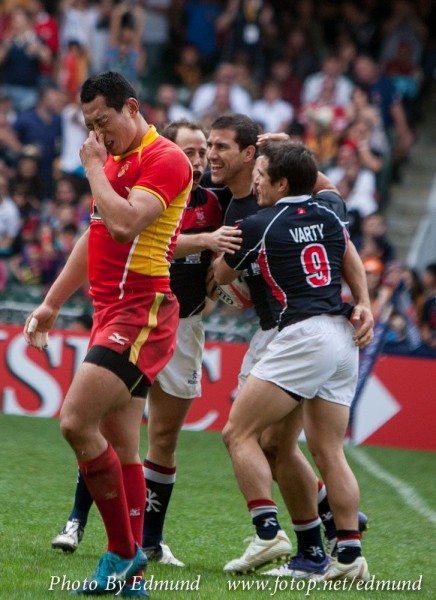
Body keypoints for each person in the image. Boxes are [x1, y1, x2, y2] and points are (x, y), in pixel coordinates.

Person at [24, 71, 192, 597]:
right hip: (110, 312)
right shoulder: (114, 160)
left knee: (76, 421)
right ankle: (132, 579)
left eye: (103, 121)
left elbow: (124, 224)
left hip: (141, 311)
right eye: (89, 125)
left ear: (132, 108)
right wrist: (52, 303)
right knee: (122, 445)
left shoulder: (165, 158)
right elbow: (95, 233)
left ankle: (122, 551)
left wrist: (94, 169)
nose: (97, 134)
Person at [50, 118, 241, 566]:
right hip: (130, 314)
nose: (199, 160)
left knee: (153, 437)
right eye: (190, 151)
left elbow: (256, 201)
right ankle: (87, 526)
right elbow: (119, 231)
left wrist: (222, 276)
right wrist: (205, 241)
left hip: (174, 320)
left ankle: (142, 545)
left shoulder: (215, 200)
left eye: (203, 152)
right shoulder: (142, 179)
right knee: (104, 429)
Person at [205, 115, 372, 576]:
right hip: (341, 334)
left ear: (279, 182)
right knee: (322, 449)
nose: (256, 182)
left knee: (238, 433)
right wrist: (364, 302)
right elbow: (346, 245)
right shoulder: (330, 210)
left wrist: (223, 261)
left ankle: (268, 533)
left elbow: (221, 277)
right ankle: (346, 554)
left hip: (297, 334)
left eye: (263, 174)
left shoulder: (257, 222)